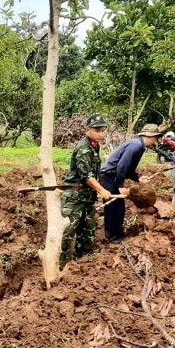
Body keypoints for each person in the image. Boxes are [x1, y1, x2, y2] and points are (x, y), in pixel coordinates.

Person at [60, 114, 112, 266]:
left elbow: (95, 174)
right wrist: (101, 190)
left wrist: (101, 189)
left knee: (88, 232)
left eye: (103, 130)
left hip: (87, 198)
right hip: (75, 198)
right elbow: (86, 176)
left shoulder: (95, 146)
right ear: (87, 130)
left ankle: (81, 264)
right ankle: (60, 264)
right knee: (68, 232)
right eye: (97, 130)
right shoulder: (83, 148)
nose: (101, 134)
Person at [100, 123, 162, 242]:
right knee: (114, 207)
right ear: (151, 136)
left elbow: (128, 168)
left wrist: (138, 178)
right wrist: (119, 186)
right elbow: (122, 167)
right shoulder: (136, 146)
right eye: (155, 138)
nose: (155, 141)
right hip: (110, 175)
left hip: (112, 175)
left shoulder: (138, 145)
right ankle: (114, 237)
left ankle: (112, 235)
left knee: (116, 206)